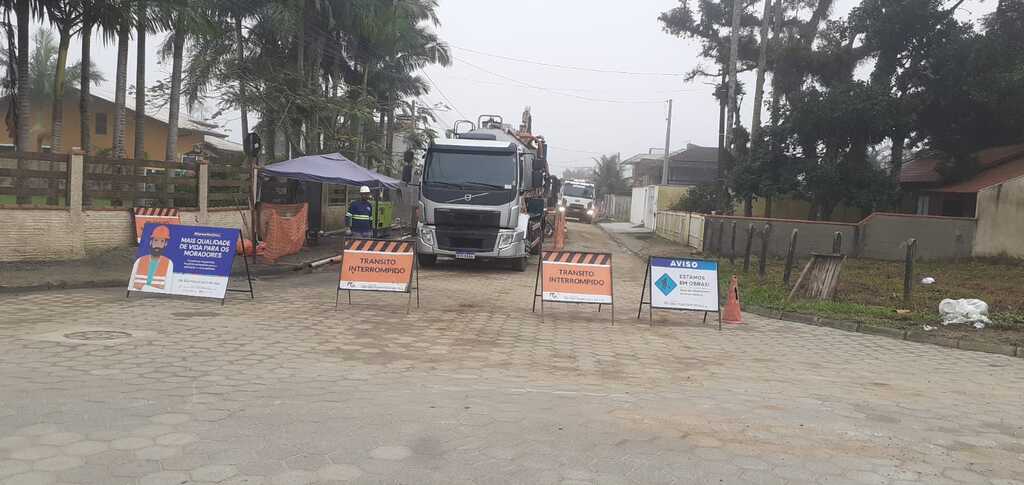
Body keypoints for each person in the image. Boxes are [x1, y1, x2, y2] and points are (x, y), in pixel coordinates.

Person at [130, 225, 175, 292]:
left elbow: (167, 288)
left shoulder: (169, 263)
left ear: (165, 244)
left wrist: (146, 288)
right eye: (156, 240)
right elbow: (131, 283)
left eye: (162, 241)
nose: (158, 245)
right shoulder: (139, 261)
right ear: (151, 242)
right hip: (140, 296)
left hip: (159, 298)